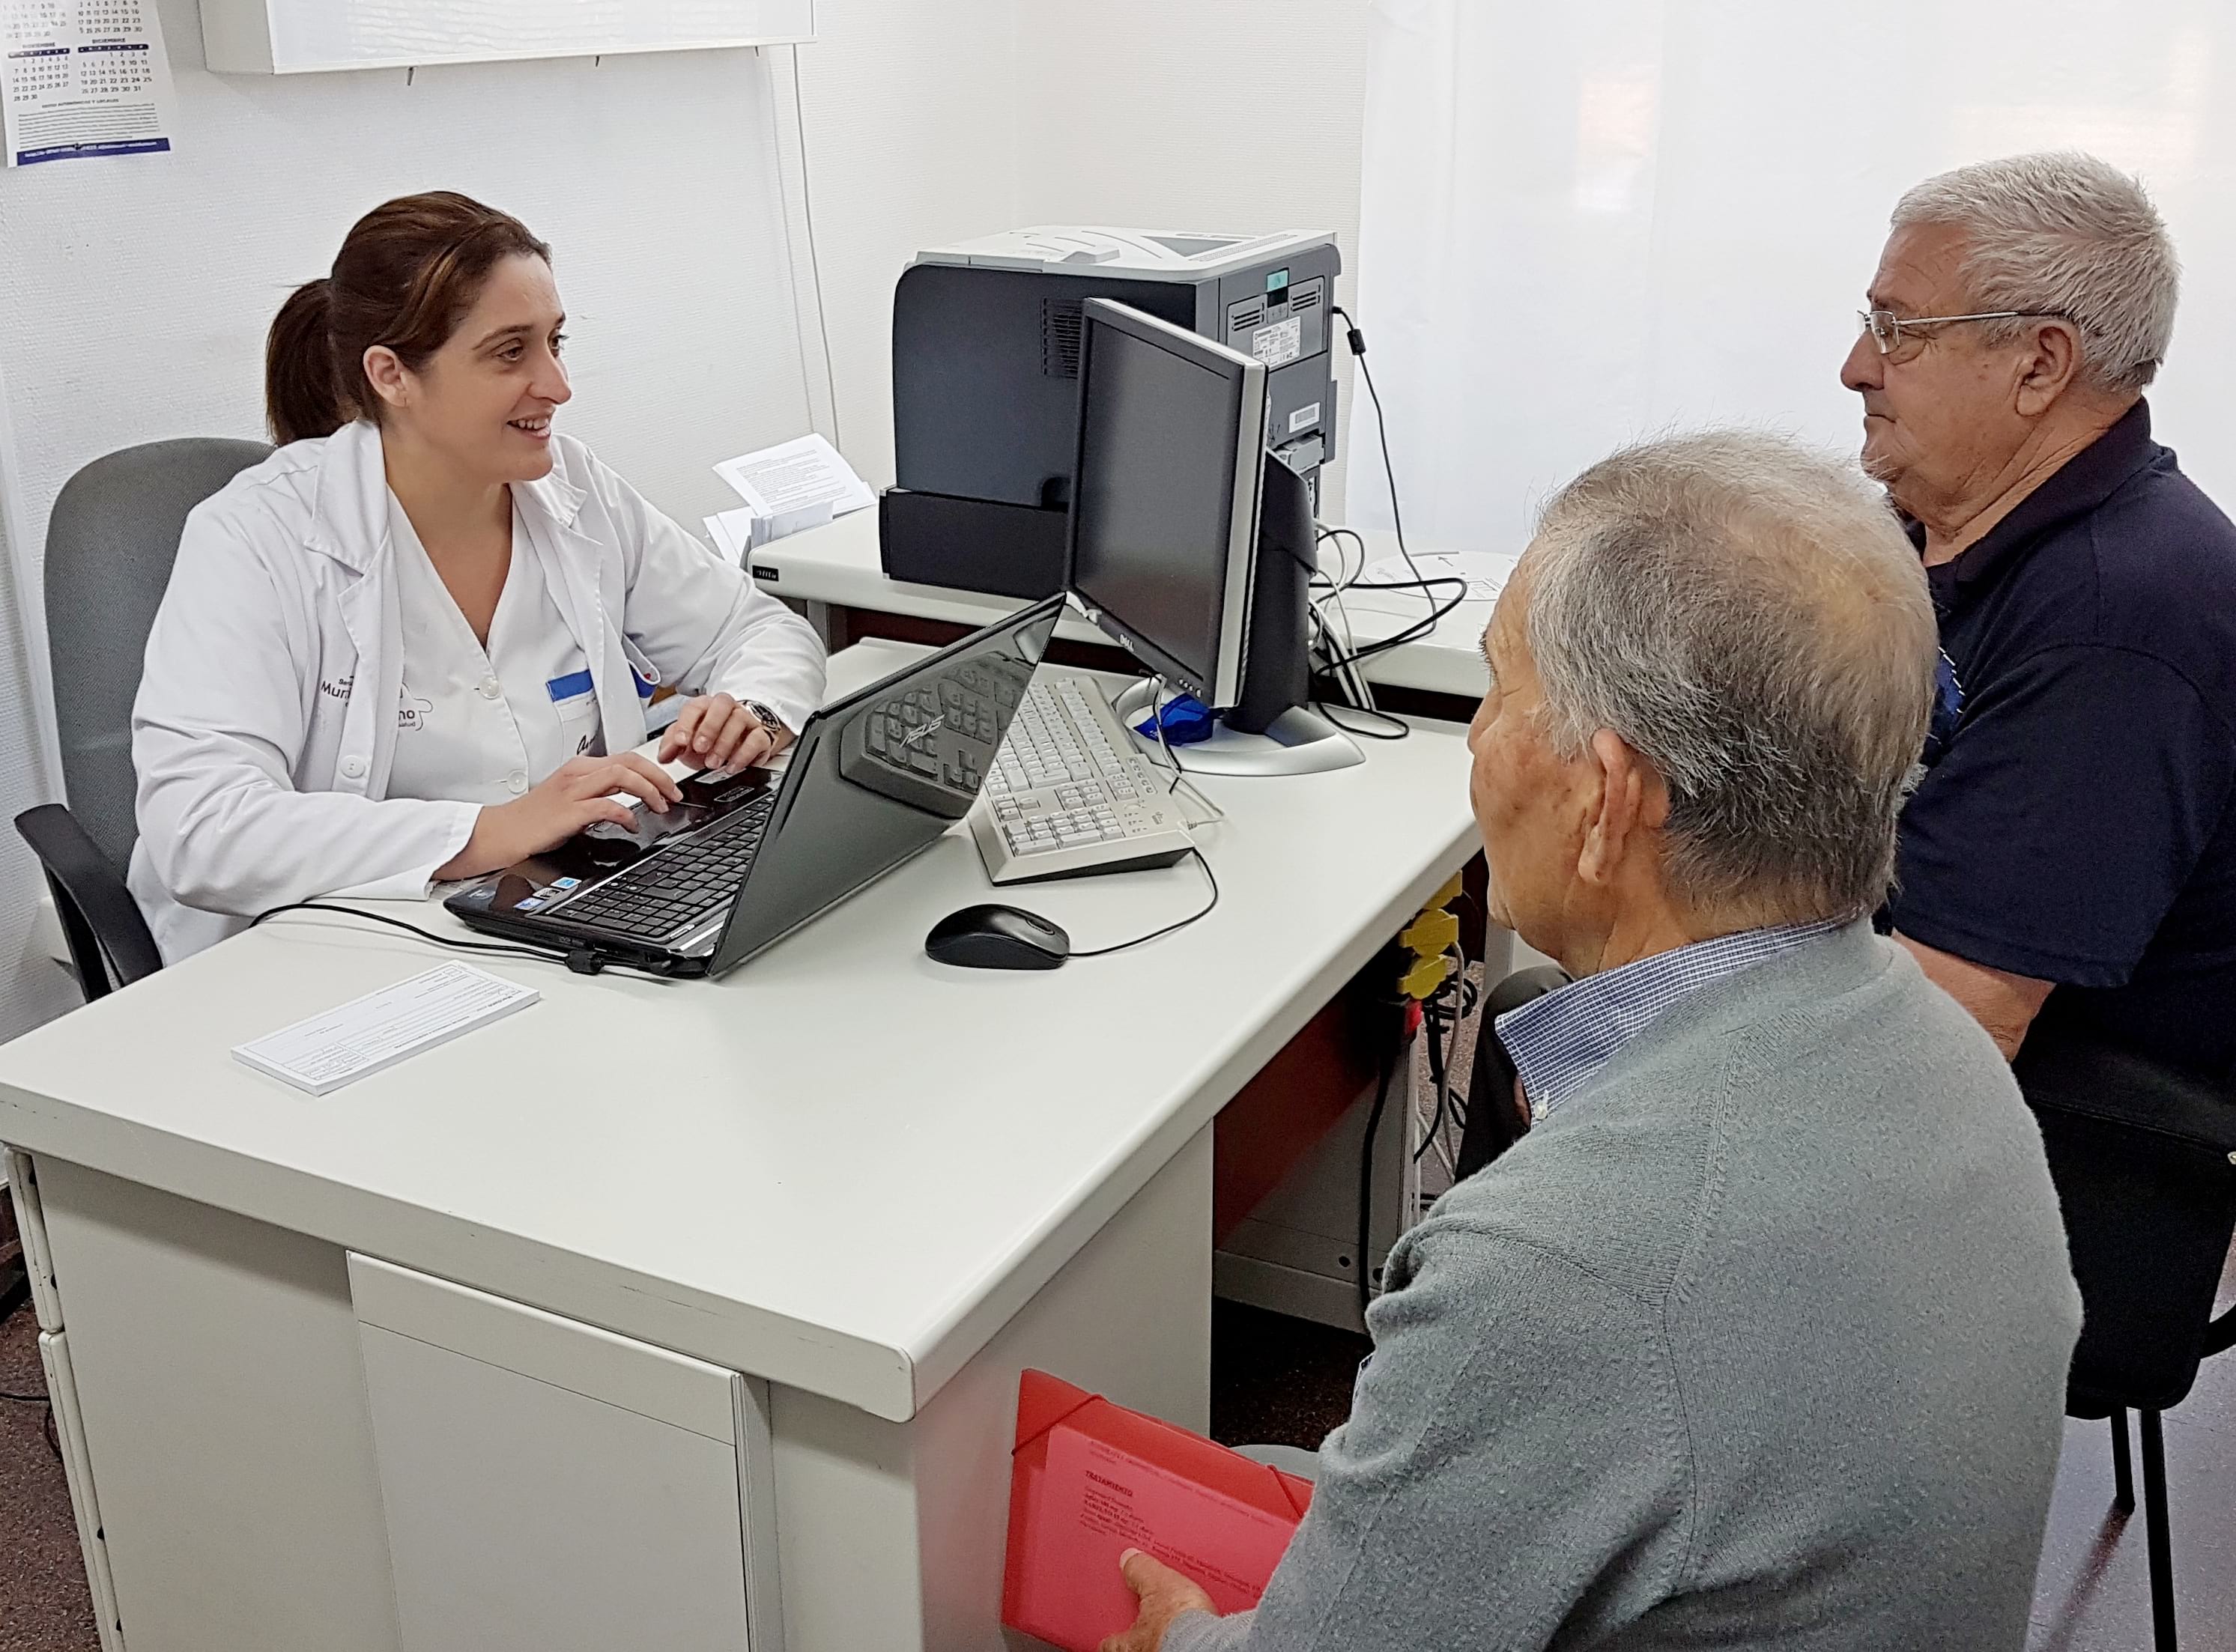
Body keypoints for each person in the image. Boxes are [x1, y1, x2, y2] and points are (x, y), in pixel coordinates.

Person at [1100, 434, 2082, 1652]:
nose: (1475, 738)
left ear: (1609, 798)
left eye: (1497, 690)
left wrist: (1181, 1641)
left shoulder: (1560, 1268)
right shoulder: (1949, 1056)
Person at [130, 192, 826, 961]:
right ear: (391, 375)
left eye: (555, 342)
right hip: (320, 953)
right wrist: (488, 831)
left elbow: (760, 630)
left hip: (550, 915)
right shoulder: (258, 536)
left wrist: (755, 709)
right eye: (510, 352)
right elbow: (202, 831)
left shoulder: (574, 489)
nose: (557, 384)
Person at [1842, 152, 2236, 1077]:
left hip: (2068, 1112)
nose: (1857, 368)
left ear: (2040, 364)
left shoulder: (2119, 620)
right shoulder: (1934, 530)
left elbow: (1952, 1030)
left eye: (1897, 330)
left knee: (1561, 1055)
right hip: (1878, 997)